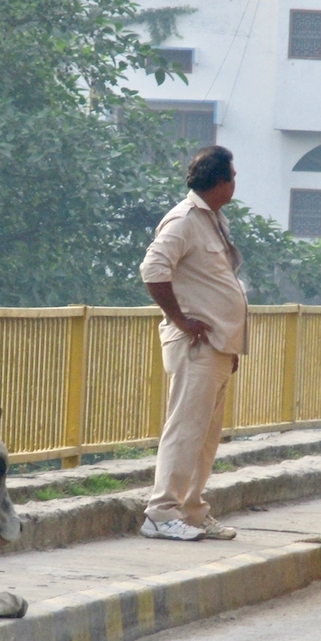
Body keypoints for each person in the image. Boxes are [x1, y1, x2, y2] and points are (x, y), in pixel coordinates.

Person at [138, 146, 248, 542]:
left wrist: (230, 345)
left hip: (217, 346)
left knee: (205, 436)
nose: (235, 184)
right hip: (194, 345)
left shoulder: (214, 219)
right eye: (232, 177)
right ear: (220, 182)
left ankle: (192, 511)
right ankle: (160, 512)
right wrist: (180, 320)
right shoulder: (184, 221)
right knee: (185, 429)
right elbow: (153, 269)